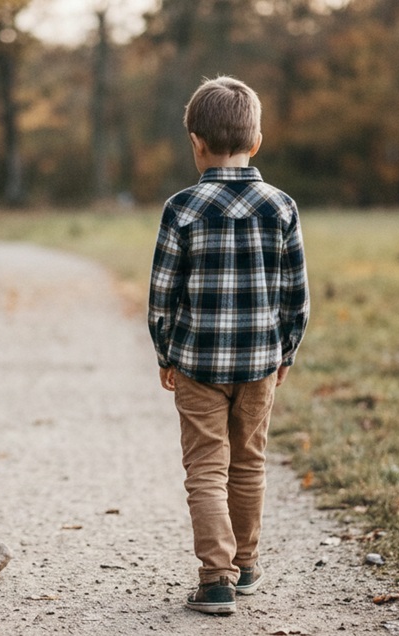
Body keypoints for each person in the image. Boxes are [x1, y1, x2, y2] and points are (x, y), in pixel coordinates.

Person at [147, 76, 310, 615]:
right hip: (261, 363)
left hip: (198, 364)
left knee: (206, 470)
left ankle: (216, 578)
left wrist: (166, 351)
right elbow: (296, 295)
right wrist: (284, 352)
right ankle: (247, 565)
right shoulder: (281, 206)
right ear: (256, 142)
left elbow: (163, 294)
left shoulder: (182, 208)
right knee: (249, 463)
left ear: (195, 142)